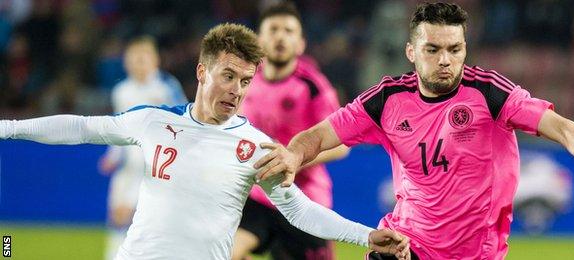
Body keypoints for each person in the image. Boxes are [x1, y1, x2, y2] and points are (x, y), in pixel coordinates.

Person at [0, 23, 411, 260]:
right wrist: (9, 128)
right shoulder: (152, 122)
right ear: (202, 71)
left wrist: (365, 235)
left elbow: (301, 211)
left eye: (246, 81)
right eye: (228, 76)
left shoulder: (255, 147)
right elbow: (82, 128)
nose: (236, 89)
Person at [253, 3, 574, 260]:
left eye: (454, 49)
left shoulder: (490, 93)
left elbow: (558, 125)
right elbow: (319, 135)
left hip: (475, 250)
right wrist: (292, 154)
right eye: (433, 49)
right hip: (404, 242)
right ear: (412, 51)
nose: (445, 59)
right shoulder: (385, 100)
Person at [233, 2, 348, 260]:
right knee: (224, 251)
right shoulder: (244, 82)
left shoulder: (313, 87)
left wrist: (293, 158)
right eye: (273, 30)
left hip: (304, 201)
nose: (280, 37)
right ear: (260, 40)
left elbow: (342, 144)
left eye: (288, 31)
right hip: (257, 196)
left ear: (300, 43)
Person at [98, 35, 188, 260]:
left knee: (151, 224)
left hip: (158, 169)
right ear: (126, 62)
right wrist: (113, 154)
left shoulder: (166, 87)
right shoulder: (121, 91)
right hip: (129, 168)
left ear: (155, 61)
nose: (138, 64)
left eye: (143, 58)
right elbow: (118, 130)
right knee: (118, 219)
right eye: (133, 59)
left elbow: (186, 123)